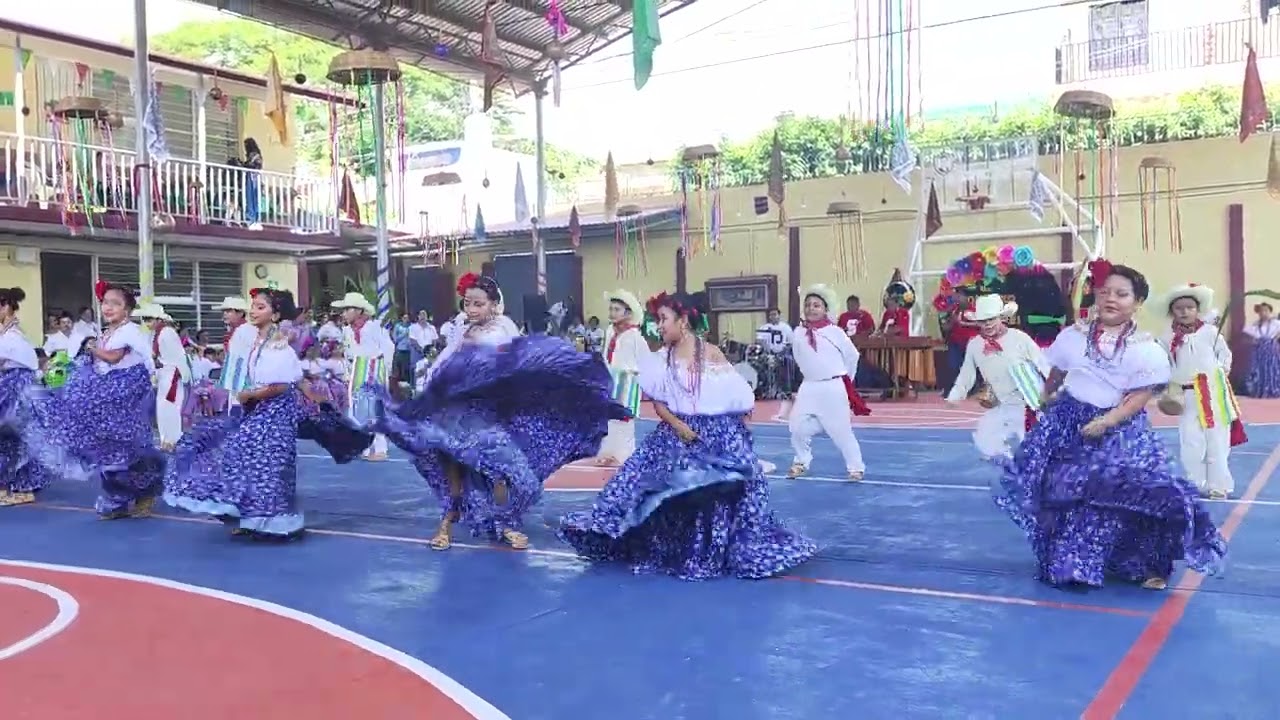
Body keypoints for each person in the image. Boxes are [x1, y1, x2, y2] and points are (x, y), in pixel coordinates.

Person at [994, 260, 1226, 590]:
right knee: (1069, 493)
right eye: (1105, 292)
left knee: (1135, 490)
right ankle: (1074, 564)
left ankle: (1141, 564)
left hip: (1121, 428)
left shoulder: (1146, 349)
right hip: (1070, 423)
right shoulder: (1072, 338)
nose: (1111, 299)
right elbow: (1057, 372)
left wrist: (1107, 421)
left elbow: (1139, 395)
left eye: (1122, 294)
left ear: (1137, 302)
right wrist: (1046, 397)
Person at [559, 290, 818, 580]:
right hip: (676, 430)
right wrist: (679, 426)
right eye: (658, 320)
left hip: (714, 432)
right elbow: (658, 402)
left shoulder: (711, 354)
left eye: (664, 319)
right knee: (644, 484)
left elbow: (735, 396)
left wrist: (738, 426)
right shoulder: (660, 358)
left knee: (714, 490)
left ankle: (707, 548)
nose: (659, 326)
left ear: (683, 321)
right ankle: (657, 542)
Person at [366, 272, 627, 551]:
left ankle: (506, 522)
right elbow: (445, 363)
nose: (472, 309)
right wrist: (430, 388)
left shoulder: (504, 328)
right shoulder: (461, 329)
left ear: (493, 304)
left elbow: (519, 362)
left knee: (502, 470)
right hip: (455, 412)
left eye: (478, 304)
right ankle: (446, 523)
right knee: (452, 466)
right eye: (467, 303)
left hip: (491, 414)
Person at [165, 289, 369, 539]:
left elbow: (281, 385)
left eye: (260, 307)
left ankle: (270, 522)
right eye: (253, 305)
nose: (253, 310)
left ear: (275, 314)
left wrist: (250, 396)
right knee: (243, 459)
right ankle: (248, 515)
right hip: (259, 409)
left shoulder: (278, 343)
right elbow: (292, 378)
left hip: (274, 413)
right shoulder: (255, 339)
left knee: (262, 464)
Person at [25, 281, 165, 519]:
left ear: (127, 310)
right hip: (109, 401)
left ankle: (143, 495)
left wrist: (90, 346)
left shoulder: (128, 331)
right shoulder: (108, 332)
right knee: (110, 451)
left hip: (125, 402)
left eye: (115, 304)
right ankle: (118, 500)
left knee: (129, 450)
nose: (108, 308)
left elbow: (112, 358)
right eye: (105, 303)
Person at [1156, 283, 1244, 500]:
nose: (1185, 312)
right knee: (1190, 441)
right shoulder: (1166, 338)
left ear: (1197, 309)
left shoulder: (1210, 332)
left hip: (1213, 393)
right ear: (1172, 312)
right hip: (1185, 395)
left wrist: (1220, 374)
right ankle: (1195, 483)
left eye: (1190, 307)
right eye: (1179, 308)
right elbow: (1163, 364)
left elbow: (1225, 356)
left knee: (1216, 439)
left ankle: (1219, 485)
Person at [946, 295, 1049, 460]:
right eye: (982, 320)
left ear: (1001, 317)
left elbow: (1043, 364)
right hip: (1001, 404)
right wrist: (955, 395)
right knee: (987, 443)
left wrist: (1056, 390)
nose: (987, 324)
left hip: (1030, 403)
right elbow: (967, 374)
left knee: (1034, 447)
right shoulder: (975, 345)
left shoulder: (1019, 338)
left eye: (991, 319)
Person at [788, 284, 871, 480]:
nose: (811, 308)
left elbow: (852, 356)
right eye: (808, 305)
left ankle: (855, 467)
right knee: (796, 426)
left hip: (833, 387)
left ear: (825, 309)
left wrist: (845, 379)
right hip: (809, 386)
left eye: (816, 305)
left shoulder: (835, 332)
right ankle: (801, 461)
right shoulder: (798, 333)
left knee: (841, 431)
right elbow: (798, 356)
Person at [0, 288, 50, 507]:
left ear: (6, 307)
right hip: (16, 387)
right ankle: (19, 484)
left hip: (15, 389)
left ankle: (12, 486)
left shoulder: (12, 337)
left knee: (11, 438)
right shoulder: (10, 334)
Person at [332, 292, 395, 461]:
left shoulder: (374, 327)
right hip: (357, 371)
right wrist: (347, 372)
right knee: (358, 408)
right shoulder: (346, 331)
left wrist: (384, 369)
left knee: (376, 408)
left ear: (359, 311)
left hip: (374, 368)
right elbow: (347, 354)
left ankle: (381, 447)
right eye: (343, 310)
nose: (344, 313)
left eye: (347, 309)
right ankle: (365, 445)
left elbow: (388, 347)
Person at [596, 289, 649, 467]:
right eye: (611, 309)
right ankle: (608, 452)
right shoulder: (610, 331)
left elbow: (645, 359)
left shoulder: (635, 336)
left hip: (627, 381)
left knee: (624, 420)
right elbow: (605, 354)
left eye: (617, 309)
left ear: (627, 312)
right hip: (611, 378)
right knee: (609, 417)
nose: (612, 313)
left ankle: (624, 455)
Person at [135, 303, 192, 451]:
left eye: (149, 319)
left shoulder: (167, 332)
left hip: (171, 372)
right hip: (163, 373)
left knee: (170, 407)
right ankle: (165, 439)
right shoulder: (154, 334)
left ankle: (173, 439)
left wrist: (180, 373)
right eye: (144, 319)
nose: (146, 323)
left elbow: (178, 356)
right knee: (163, 408)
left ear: (158, 319)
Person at [1243, 302, 1280, 398]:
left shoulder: (1275, 323)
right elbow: (1251, 337)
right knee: (1259, 370)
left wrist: (1276, 338)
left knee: (1272, 369)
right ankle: (1260, 391)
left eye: (1266, 311)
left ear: (1270, 312)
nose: (1264, 313)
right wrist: (1254, 341)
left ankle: (1273, 390)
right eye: (1261, 311)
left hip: (1271, 349)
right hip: (1259, 350)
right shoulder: (1255, 325)